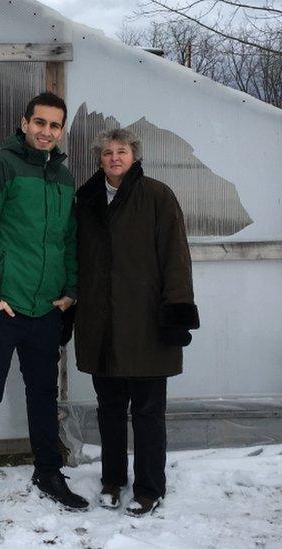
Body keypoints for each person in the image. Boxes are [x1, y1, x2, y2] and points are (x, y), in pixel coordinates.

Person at [0, 92, 87, 539]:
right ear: (24, 122)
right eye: (40, 122)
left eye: (54, 125)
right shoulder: (1, 166)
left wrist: (70, 290)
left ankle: (47, 473)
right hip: (2, 309)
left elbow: (68, 239)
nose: (46, 131)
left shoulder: (64, 176)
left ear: (61, 130)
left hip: (46, 310)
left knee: (43, 396)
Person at [74, 128, 199, 517]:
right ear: (99, 158)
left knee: (147, 413)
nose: (114, 158)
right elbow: (75, 256)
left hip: (146, 324)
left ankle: (149, 488)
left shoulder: (158, 196)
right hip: (102, 324)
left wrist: (176, 311)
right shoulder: (87, 199)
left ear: (134, 156)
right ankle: (112, 481)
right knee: (109, 409)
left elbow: (176, 257)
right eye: (108, 152)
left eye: (122, 151)